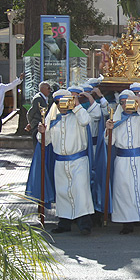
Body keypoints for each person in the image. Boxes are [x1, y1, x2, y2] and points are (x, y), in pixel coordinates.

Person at [37, 89, 95, 235]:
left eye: (64, 101)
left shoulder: (78, 116)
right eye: (58, 102)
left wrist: (76, 105)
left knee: (80, 190)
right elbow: (45, 141)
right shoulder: (53, 119)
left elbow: (86, 120)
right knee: (63, 192)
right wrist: (42, 131)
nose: (62, 105)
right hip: (60, 161)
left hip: (78, 160)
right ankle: (64, 222)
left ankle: (85, 223)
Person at [105, 90, 140, 237]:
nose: (125, 105)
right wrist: (109, 130)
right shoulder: (117, 120)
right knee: (124, 192)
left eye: (128, 102)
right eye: (122, 103)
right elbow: (110, 142)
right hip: (122, 160)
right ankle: (127, 223)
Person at [26, 81, 53, 148]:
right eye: (48, 88)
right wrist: (32, 124)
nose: (50, 90)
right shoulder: (38, 98)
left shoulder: (47, 98)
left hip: (44, 125)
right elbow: (31, 112)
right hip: (37, 125)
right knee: (37, 145)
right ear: (43, 89)